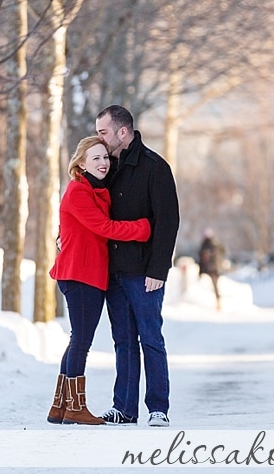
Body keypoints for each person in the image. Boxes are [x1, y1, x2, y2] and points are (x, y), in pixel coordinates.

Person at [47, 136, 152, 426]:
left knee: (76, 340)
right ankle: (76, 407)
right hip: (80, 274)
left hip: (88, 274)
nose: (103, 163)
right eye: (95, 158)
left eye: (105, 157)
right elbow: (103, 227)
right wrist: (143, 228)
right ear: (81, 163)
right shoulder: (79, 191)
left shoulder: (95, 190)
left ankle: (61, 406)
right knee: (81, 341)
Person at [95, 104, 180, 427]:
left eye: (103, 132)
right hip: (113, 271)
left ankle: (158, 407)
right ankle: (125, 408)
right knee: (123, 341)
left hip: (144, 273)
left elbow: (168, 221)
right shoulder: (105, 166)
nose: (99, 138)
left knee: (151, 339)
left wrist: (158, 271)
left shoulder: (155, 167)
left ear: (122, 131)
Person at [198, 229, 226, 310]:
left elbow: (203, 258)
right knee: (216, 286)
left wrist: (201, 270)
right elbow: (224, 251)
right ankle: (218, 302)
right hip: (217, 268)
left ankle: (215, 303)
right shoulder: (217, 244)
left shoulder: (205, 245)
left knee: (210, 285)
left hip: (209, 269)